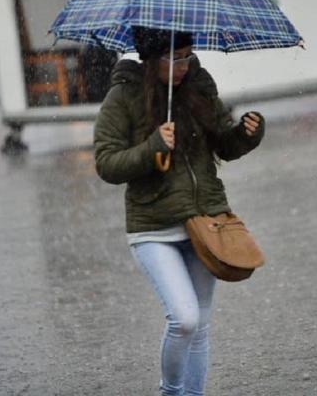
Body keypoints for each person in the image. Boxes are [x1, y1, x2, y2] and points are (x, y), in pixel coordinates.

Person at [93, 27, 264, 396]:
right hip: (153, 228)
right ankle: (170, 392)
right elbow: (106, 163)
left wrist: (246, 135)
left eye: (188, 55)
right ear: (154, 57)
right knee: (184, 320)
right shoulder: (123, 97)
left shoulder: (199, 87)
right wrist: (152, 147)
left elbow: (225, 144)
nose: (184, 65)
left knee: (200, 326)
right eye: (176, 57)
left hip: (203, 223)